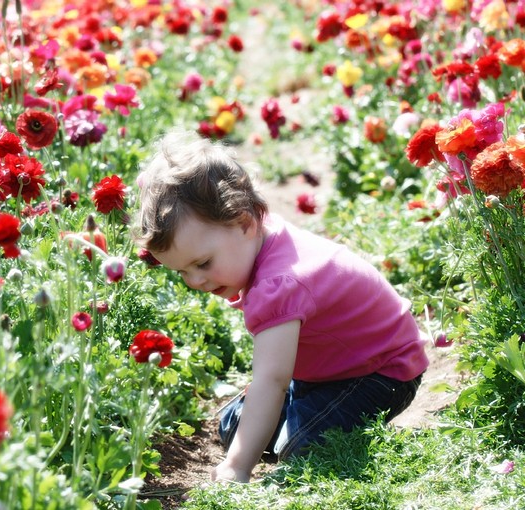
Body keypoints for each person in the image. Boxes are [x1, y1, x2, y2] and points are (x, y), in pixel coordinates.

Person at [133, 131, 429, 483]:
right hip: (331, 369)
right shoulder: (262, 237)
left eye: (203, 263)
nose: (195, 281)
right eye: (182, 271)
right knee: (232, 426)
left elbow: (272, 381)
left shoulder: (277, 284)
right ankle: (303, 419)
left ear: (244, 222)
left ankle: (330, 431)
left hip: (382, 371)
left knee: (300, 446)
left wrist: (238, 467)